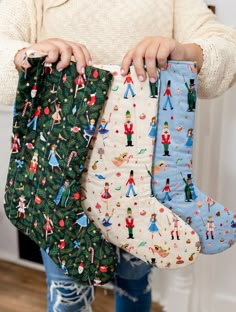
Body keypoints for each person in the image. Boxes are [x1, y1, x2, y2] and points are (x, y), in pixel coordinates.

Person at [0, 1, 236, 311]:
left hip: (140, 186)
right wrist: (24, 57)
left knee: (135, 282)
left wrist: (189, 52)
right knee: (68, 293)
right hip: (58, 191)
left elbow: (224, 46)